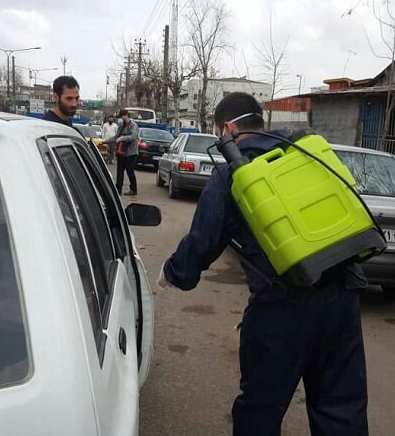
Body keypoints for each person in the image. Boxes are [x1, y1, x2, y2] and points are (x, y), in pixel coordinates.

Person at [158, 92, 369, 436]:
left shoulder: (233, 176)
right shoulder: (306, 150)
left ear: (227, 128)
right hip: (342, 294)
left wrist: (173, 274)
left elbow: (203, 242)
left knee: (261, 408)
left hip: (280, 308)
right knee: (341, 409)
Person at [105, 109, 139, 195]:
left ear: (126, 115)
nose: (121, 119)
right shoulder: (121, 126)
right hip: (120, 152)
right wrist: (106, 141)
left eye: (122, 117)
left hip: (130, 153)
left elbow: (133, 136)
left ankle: (133, 189)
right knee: (119, 172)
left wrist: (122, 138)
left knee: (130, 171)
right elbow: (116, 137)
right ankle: (118, 189)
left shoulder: (133, 125)